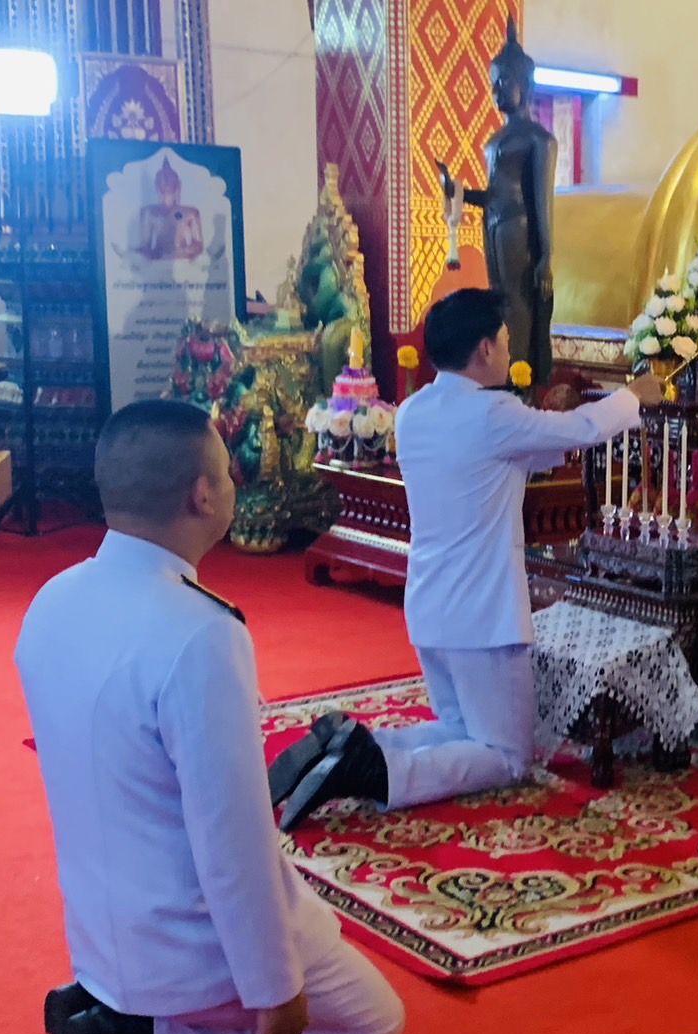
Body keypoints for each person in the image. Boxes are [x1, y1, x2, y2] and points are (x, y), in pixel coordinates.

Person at [16, 400, 404, 1034]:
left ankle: (119, 1021)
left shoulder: (52, 600)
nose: (233, 483)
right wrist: (273, 987)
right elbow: (233, 841)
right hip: (189, 949)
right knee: (376, 1026)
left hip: (99, 936)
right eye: (227, 472)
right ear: (202, 495)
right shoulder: (199, 633)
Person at [270, 288, 663, 829]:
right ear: (484, 348)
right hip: (482, 615)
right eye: (505, 340)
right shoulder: (493, 414)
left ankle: (349, 745)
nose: (509, 350)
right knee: (507, 756)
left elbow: (521, 452)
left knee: (461, 732)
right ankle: (374, 772)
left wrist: (557, 422)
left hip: (431, 607)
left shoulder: (414, 412)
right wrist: (634, 396)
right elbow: (581, 430)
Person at [437, 16, 557, 386]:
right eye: (493, 84)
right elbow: (493, 194)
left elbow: (542, 202)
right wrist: (456, 189)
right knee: (499, 304)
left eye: (503, 82)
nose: (496, 92)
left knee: (519, 307)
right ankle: (502, 378)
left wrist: (545, 257)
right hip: (494, 227)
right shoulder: (495, 141)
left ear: (525, 83)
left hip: (519, 232)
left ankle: (522, 380)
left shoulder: (538, 139)